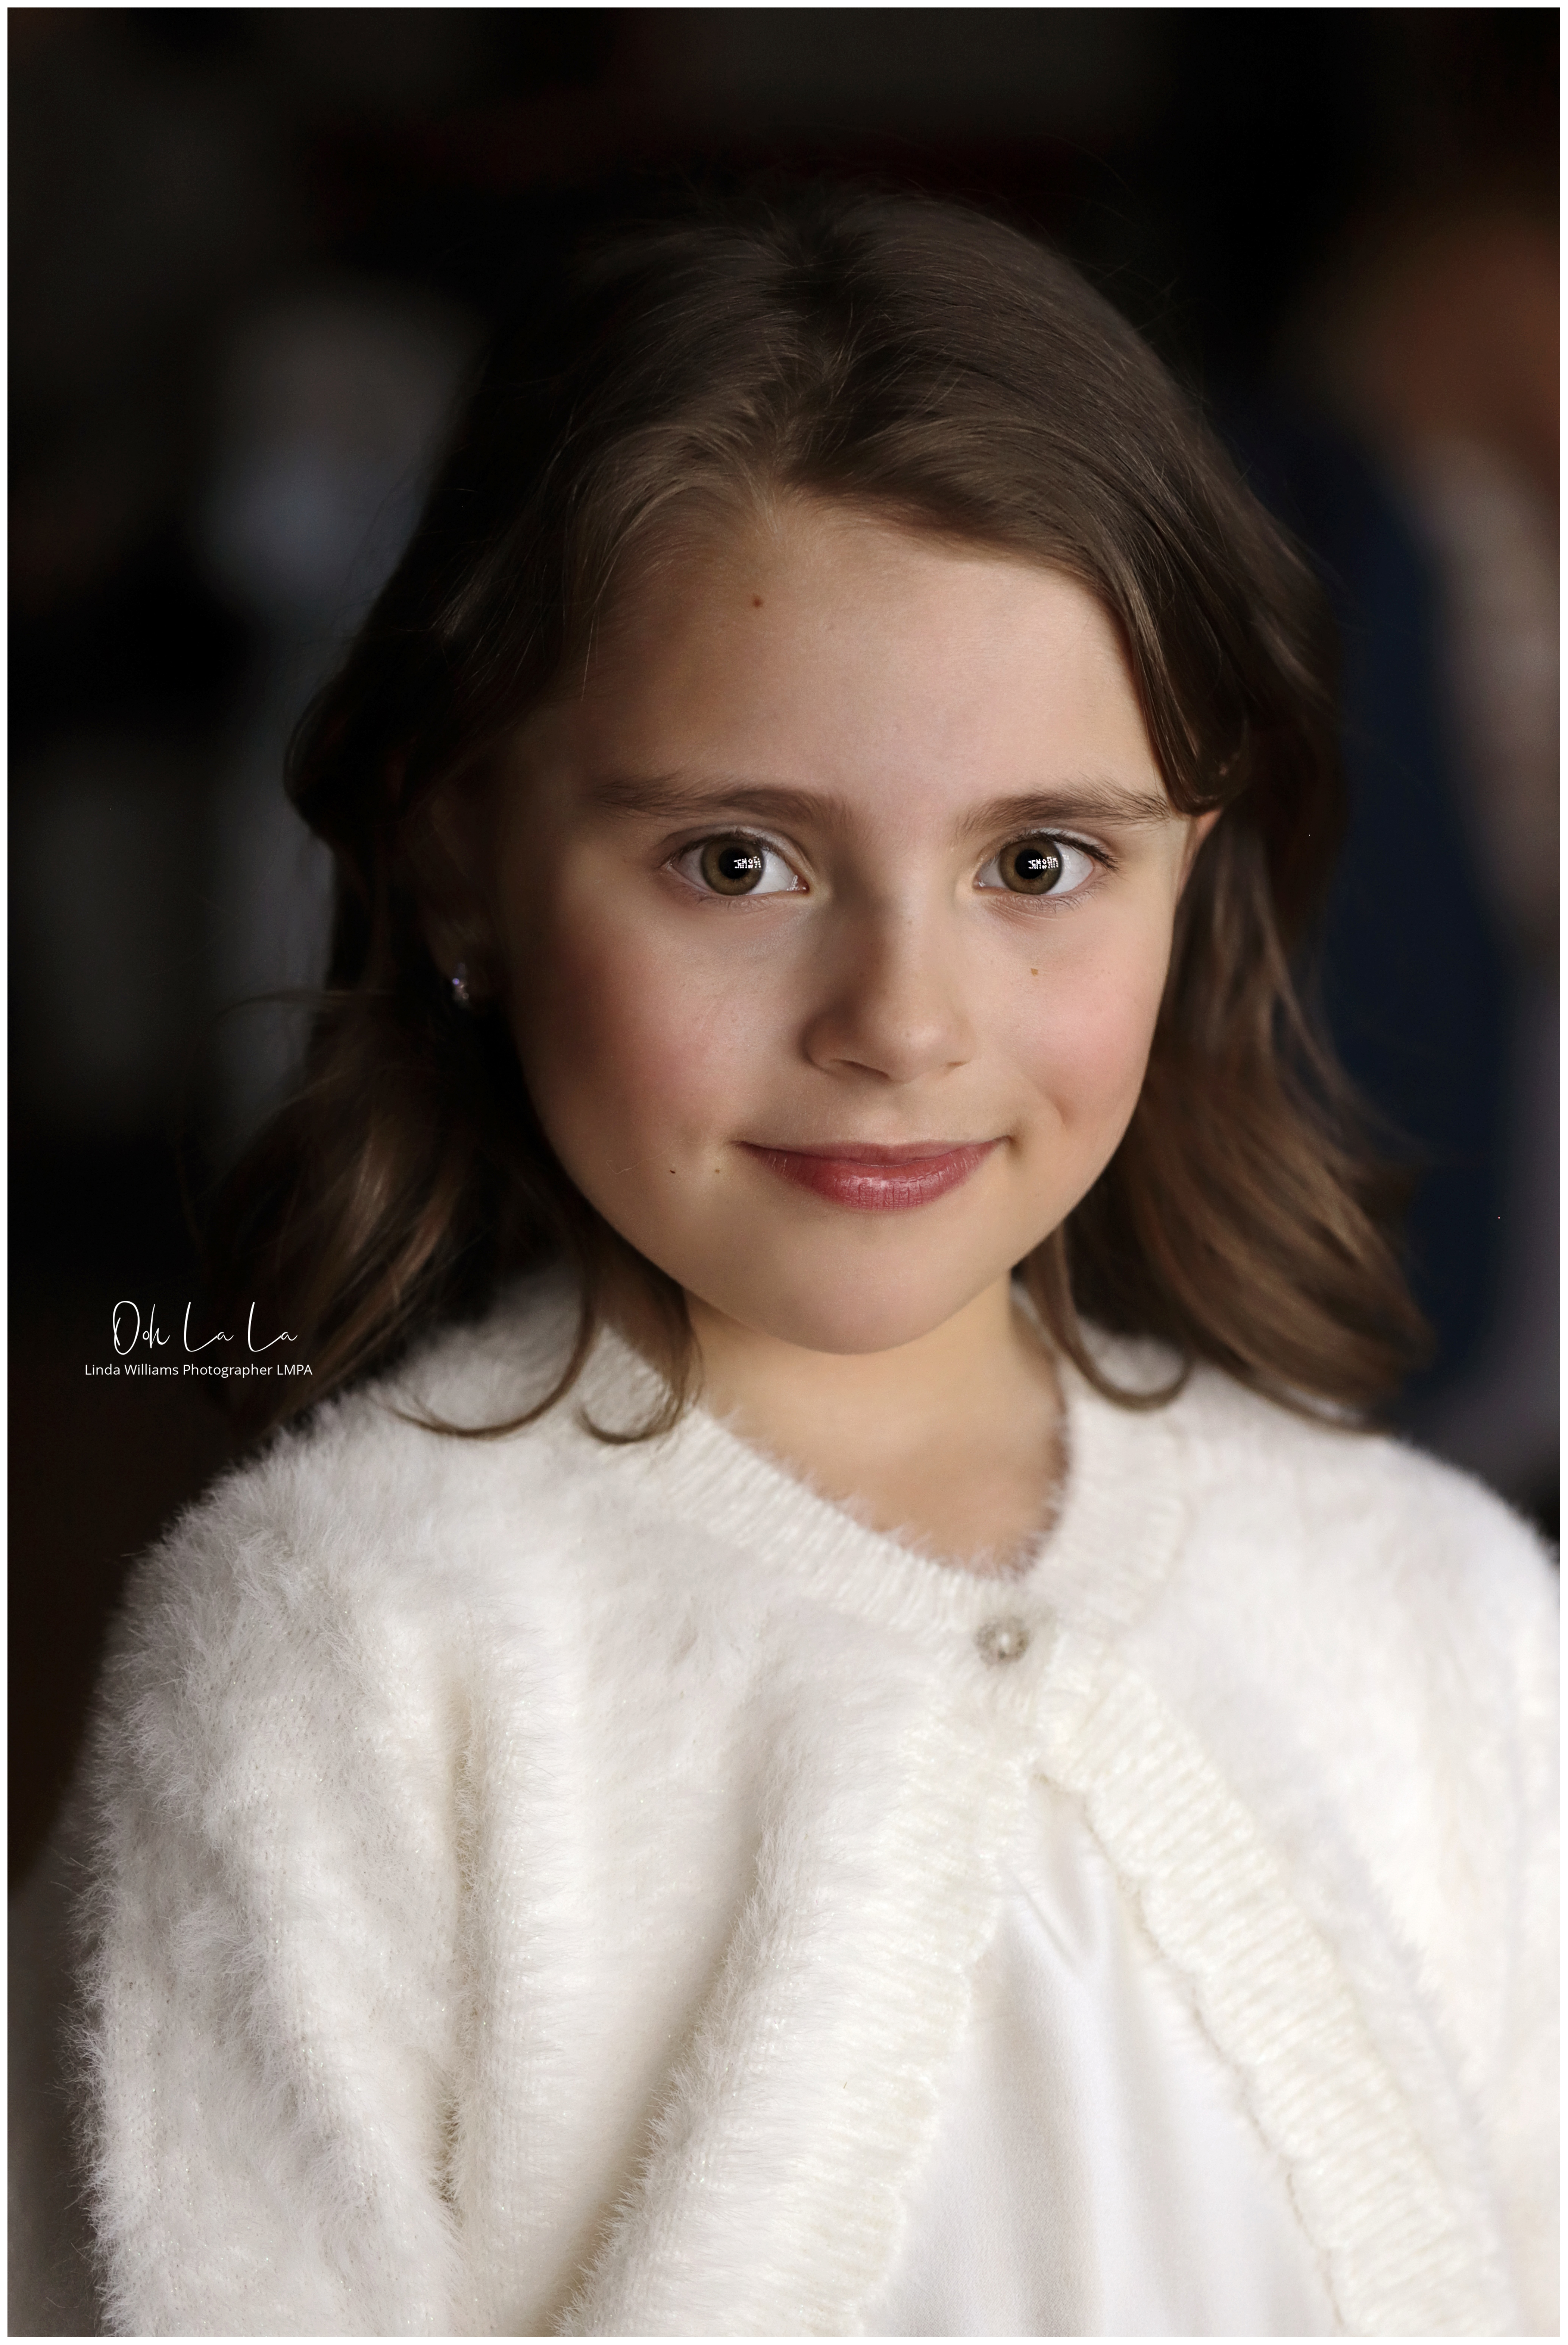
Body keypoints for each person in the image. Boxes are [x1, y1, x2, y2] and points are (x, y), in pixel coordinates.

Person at [12, 186, 1555, 2338]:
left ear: (1196, 871)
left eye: (1040, 861)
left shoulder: (1450, 1621)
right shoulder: (340, 1664)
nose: (902, 1021)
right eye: (736, 860)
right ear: (462, 852)